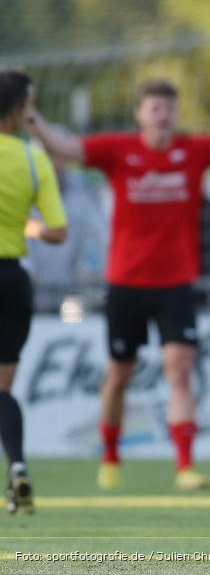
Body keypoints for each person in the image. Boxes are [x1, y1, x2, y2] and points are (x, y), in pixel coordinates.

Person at [27, 66, 210, 491]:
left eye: (169, 109)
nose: (162, 116)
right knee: (119, 374)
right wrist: (31, 117)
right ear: (140, 114)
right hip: (125, 284)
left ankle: (185, 466)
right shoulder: (117, 151)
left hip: (175, 284)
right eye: (155, 109)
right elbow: (63, 146)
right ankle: (111, 456)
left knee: (179, 369)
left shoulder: (194, 151)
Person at [0, 69, 68, 514]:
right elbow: (59, 232)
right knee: (2, 391)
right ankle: (18, 468)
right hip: (11, 280)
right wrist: (28, 228)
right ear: (22, 110)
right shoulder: (32, 159)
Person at [25, 147, 107, 313]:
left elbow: (97, 236)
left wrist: (90, 273)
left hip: (75, 292)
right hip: (31, 289)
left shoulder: (84, 191)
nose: (53, 165)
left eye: (57, 157)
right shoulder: (23, 192)